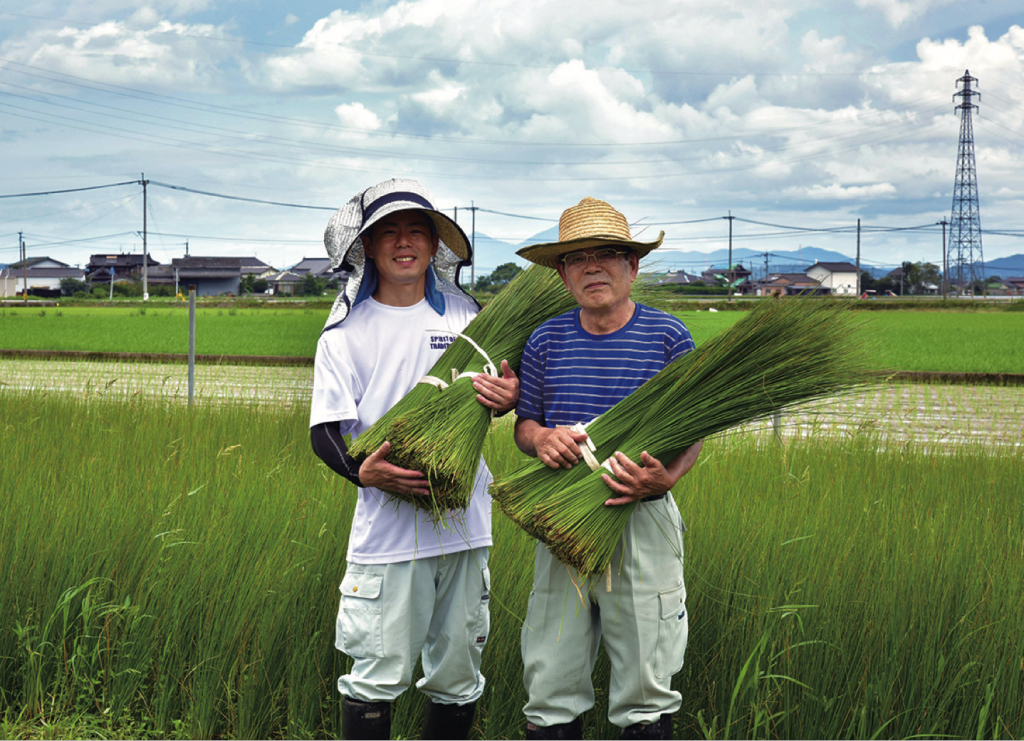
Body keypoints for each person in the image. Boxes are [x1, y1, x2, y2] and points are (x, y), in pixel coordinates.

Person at [309, 178, 519, 740]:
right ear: (369, 248)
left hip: (467, 527)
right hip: (388, 533)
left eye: (417, 231)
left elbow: (488, 401)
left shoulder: (465, 315)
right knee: (376, 676)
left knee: (458, 677)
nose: (405, 242)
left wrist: (506, 399)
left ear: (433, 245)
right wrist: (362, 472)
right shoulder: (345, 332)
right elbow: (325, 432)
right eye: (390, 232)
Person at [512, 197, 703, 740]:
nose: (592, 267)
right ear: (562, 273)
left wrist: (667, 478)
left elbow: (695, 430)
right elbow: (525, 426)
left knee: (646, 686)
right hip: (561, 518)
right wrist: (542, 438)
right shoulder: (545, 341)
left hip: (640, 515)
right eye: (577, 258)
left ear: (632, 266)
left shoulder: (669, 337)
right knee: (550, 681)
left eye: (607, 255)